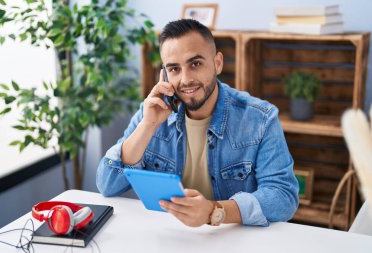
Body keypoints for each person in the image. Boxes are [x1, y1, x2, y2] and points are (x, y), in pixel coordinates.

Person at [96, 19, 299, 227]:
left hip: (233, 240)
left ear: (217, 63)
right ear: (164, 75)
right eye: (174, 69)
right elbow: (106, 185)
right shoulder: (151, 112)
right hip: (168, 238)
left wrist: (214, 211)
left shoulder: (260, 118)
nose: (185, 79)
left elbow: (283, 197)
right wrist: (147, 126)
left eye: (195, 64)